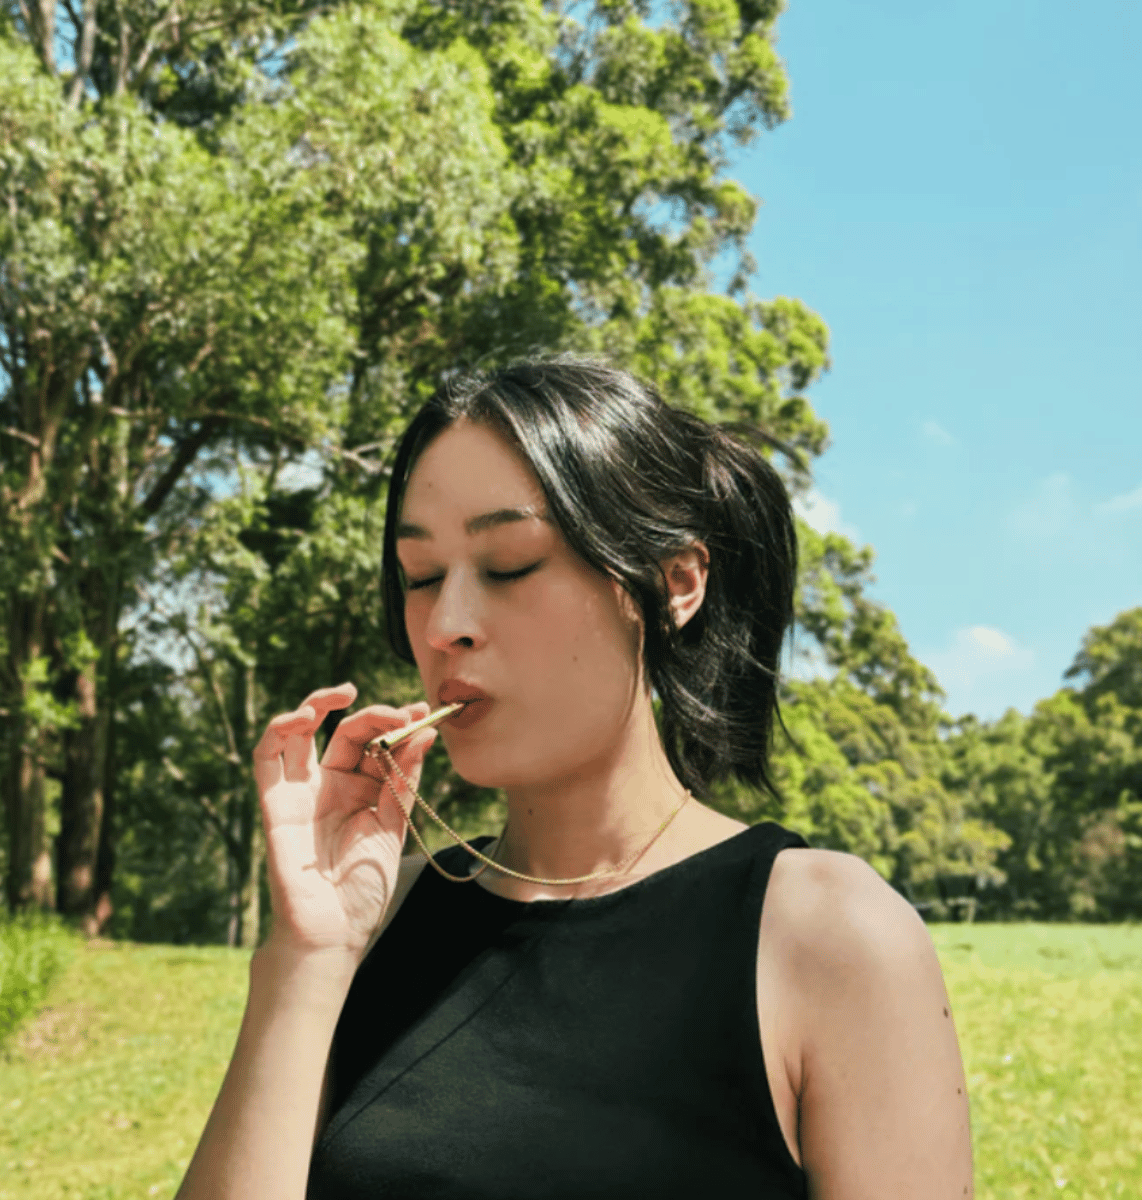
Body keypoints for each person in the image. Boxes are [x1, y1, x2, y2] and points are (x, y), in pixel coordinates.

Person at [176, 357, 974, 1199]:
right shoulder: (373, 921)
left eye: (510, 564)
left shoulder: (832, 939)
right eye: (419, 578)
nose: (446, 625)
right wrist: (304, 959)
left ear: (673, 583)